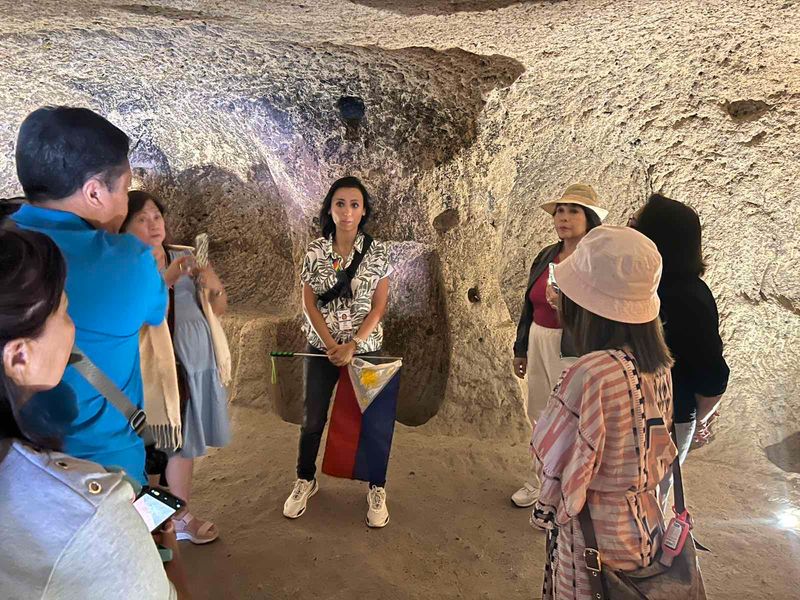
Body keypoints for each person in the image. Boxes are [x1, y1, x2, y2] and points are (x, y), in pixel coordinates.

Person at [0, 227, 190, 599]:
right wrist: (169, 550)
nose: (73, 331)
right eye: (65, 311)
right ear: (19, 355)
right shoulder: (91, 514)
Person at [11, 106, 168, 484]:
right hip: (107, 467)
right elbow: (156, 311)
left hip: (15, 468)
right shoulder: (129, 261)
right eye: (125, 188)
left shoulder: (9, 249)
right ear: (95, 192)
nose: (125, 203)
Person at [531, 226, 678, 600]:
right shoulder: (657, 364)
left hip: (597, 539)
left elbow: (556, 463)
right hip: (648, 524)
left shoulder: (592, 373)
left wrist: (546, 512)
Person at [283, 176, 393, 527]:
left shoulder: (378, 252)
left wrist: (354, 344)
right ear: (330, 209)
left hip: (365, 348)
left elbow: (379, 306)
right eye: (340, 204)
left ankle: (377, 486)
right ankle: (305, 479)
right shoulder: (315, 251)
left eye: (354, 205)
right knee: (312, 417)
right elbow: (309, 304)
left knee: (372, 420)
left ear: (364, 212)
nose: (347, 211)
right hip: (322, 348)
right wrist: (332, 345)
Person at [122, 190, 229, 544]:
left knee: (182, 445)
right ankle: (156, 525)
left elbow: (219, 305)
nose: (154, 224)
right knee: (153, 449)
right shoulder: (122, 264)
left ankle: (174, 520)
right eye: (142, 218)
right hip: (149, 372)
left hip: (192, 366)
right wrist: (165, 279)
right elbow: (130, 317)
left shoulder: (184, 255)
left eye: (157, 216)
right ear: (123, 226)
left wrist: (209, 283)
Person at [510, 184, 607, 508]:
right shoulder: (546, 256)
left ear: (589, 218)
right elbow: (529, 304)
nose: (563, 218)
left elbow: (602, 311)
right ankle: (538, 481)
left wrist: (568, 307)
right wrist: (521, 348)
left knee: (570, 419)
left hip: (574, 348)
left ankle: (569, 489)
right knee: (538, 413)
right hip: (540, 339)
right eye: (560, 211)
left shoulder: (595, 260)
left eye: (573, 211)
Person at [630, 194, 729, 463]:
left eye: (635, 221)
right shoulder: (642, 284)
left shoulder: (688, 298)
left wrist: (694, 418)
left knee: (651, 495)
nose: (628, 224)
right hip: (628, 409)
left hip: (666, 416)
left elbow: (713, 377)